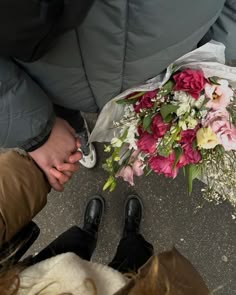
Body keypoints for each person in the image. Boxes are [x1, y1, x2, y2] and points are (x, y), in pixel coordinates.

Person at [0, 1, 235, 192]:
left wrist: (208, 59)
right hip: (47, 84)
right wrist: (38, 130)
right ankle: (74, 131)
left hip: (157, 68)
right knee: (58, 110)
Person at [0, 194, 210, 295]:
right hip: (119, 288)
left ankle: (90, 231)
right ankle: (131, 233)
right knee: (133, 257)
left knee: (74, 244)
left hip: (37, 280)